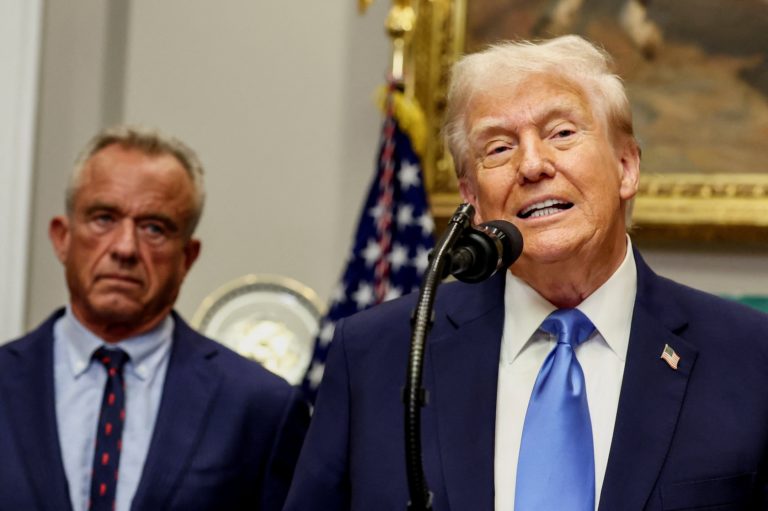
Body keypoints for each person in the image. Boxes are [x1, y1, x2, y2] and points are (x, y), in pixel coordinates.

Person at [284, 35, 768, 510]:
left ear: (626, 167)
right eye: (498, 148)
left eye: (561, 133)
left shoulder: (750, 356)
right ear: (472, 200)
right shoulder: (376, 355)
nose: (532, 164)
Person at [0, 125, 308, 511]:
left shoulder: (261, 407)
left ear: (188, 258)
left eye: (154, 228)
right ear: (62, 238)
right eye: (103, 218)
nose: (125, 248)